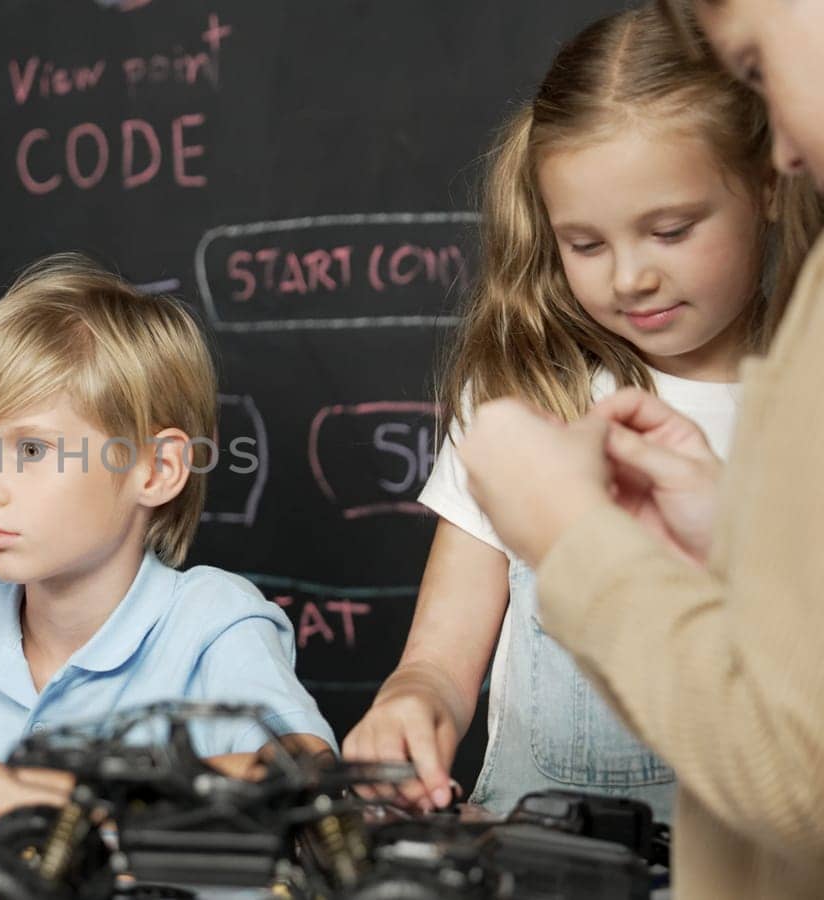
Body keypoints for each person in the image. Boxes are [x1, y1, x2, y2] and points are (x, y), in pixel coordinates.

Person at [343, 4, 821, 819]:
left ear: (769, 186)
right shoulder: (528, 397)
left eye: (669, 230)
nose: (629, 277)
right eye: (586, 245)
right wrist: (412, 702)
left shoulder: (804, 397)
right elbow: (439, 657)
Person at [0, 255, 336, 817]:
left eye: (31, 450)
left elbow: (304, 774)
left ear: (156, 470)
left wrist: (12, 787)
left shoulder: (210, 623)